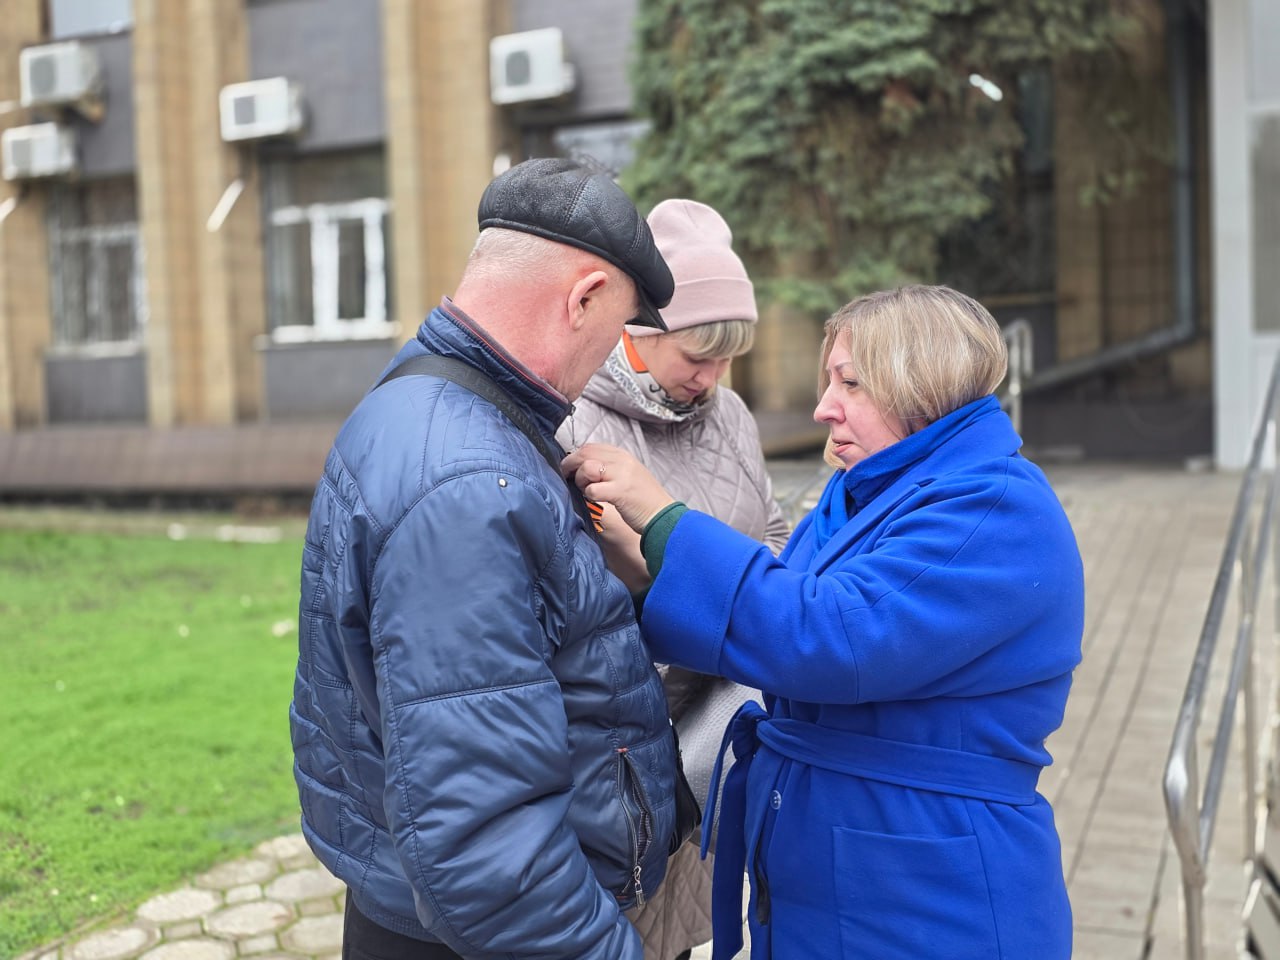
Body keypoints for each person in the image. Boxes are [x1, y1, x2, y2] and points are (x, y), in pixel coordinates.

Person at [564, 284, 1085, 960]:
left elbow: (827, 636)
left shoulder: (994, 508)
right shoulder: (865, 488)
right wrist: (644, 572)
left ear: (919, 386)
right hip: (843, 870)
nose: (823, 407)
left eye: (851, 383)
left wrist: (665, 520)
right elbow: (776, 605)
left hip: (926, 889)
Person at [290, 158, 687, 960]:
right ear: (582, 298)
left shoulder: (423, 400)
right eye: (615, 331)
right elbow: (486, 844)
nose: (605, 361)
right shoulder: (467, 478)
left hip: (420, 909)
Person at [556, 198, 788, 960]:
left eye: (728, 358)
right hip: (615, 760)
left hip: (711, 740)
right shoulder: (572, 418)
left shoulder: (732, 417)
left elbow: (772, 531)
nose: (713, 378)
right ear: (640, 328)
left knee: (675, 938)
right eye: (698, 354)